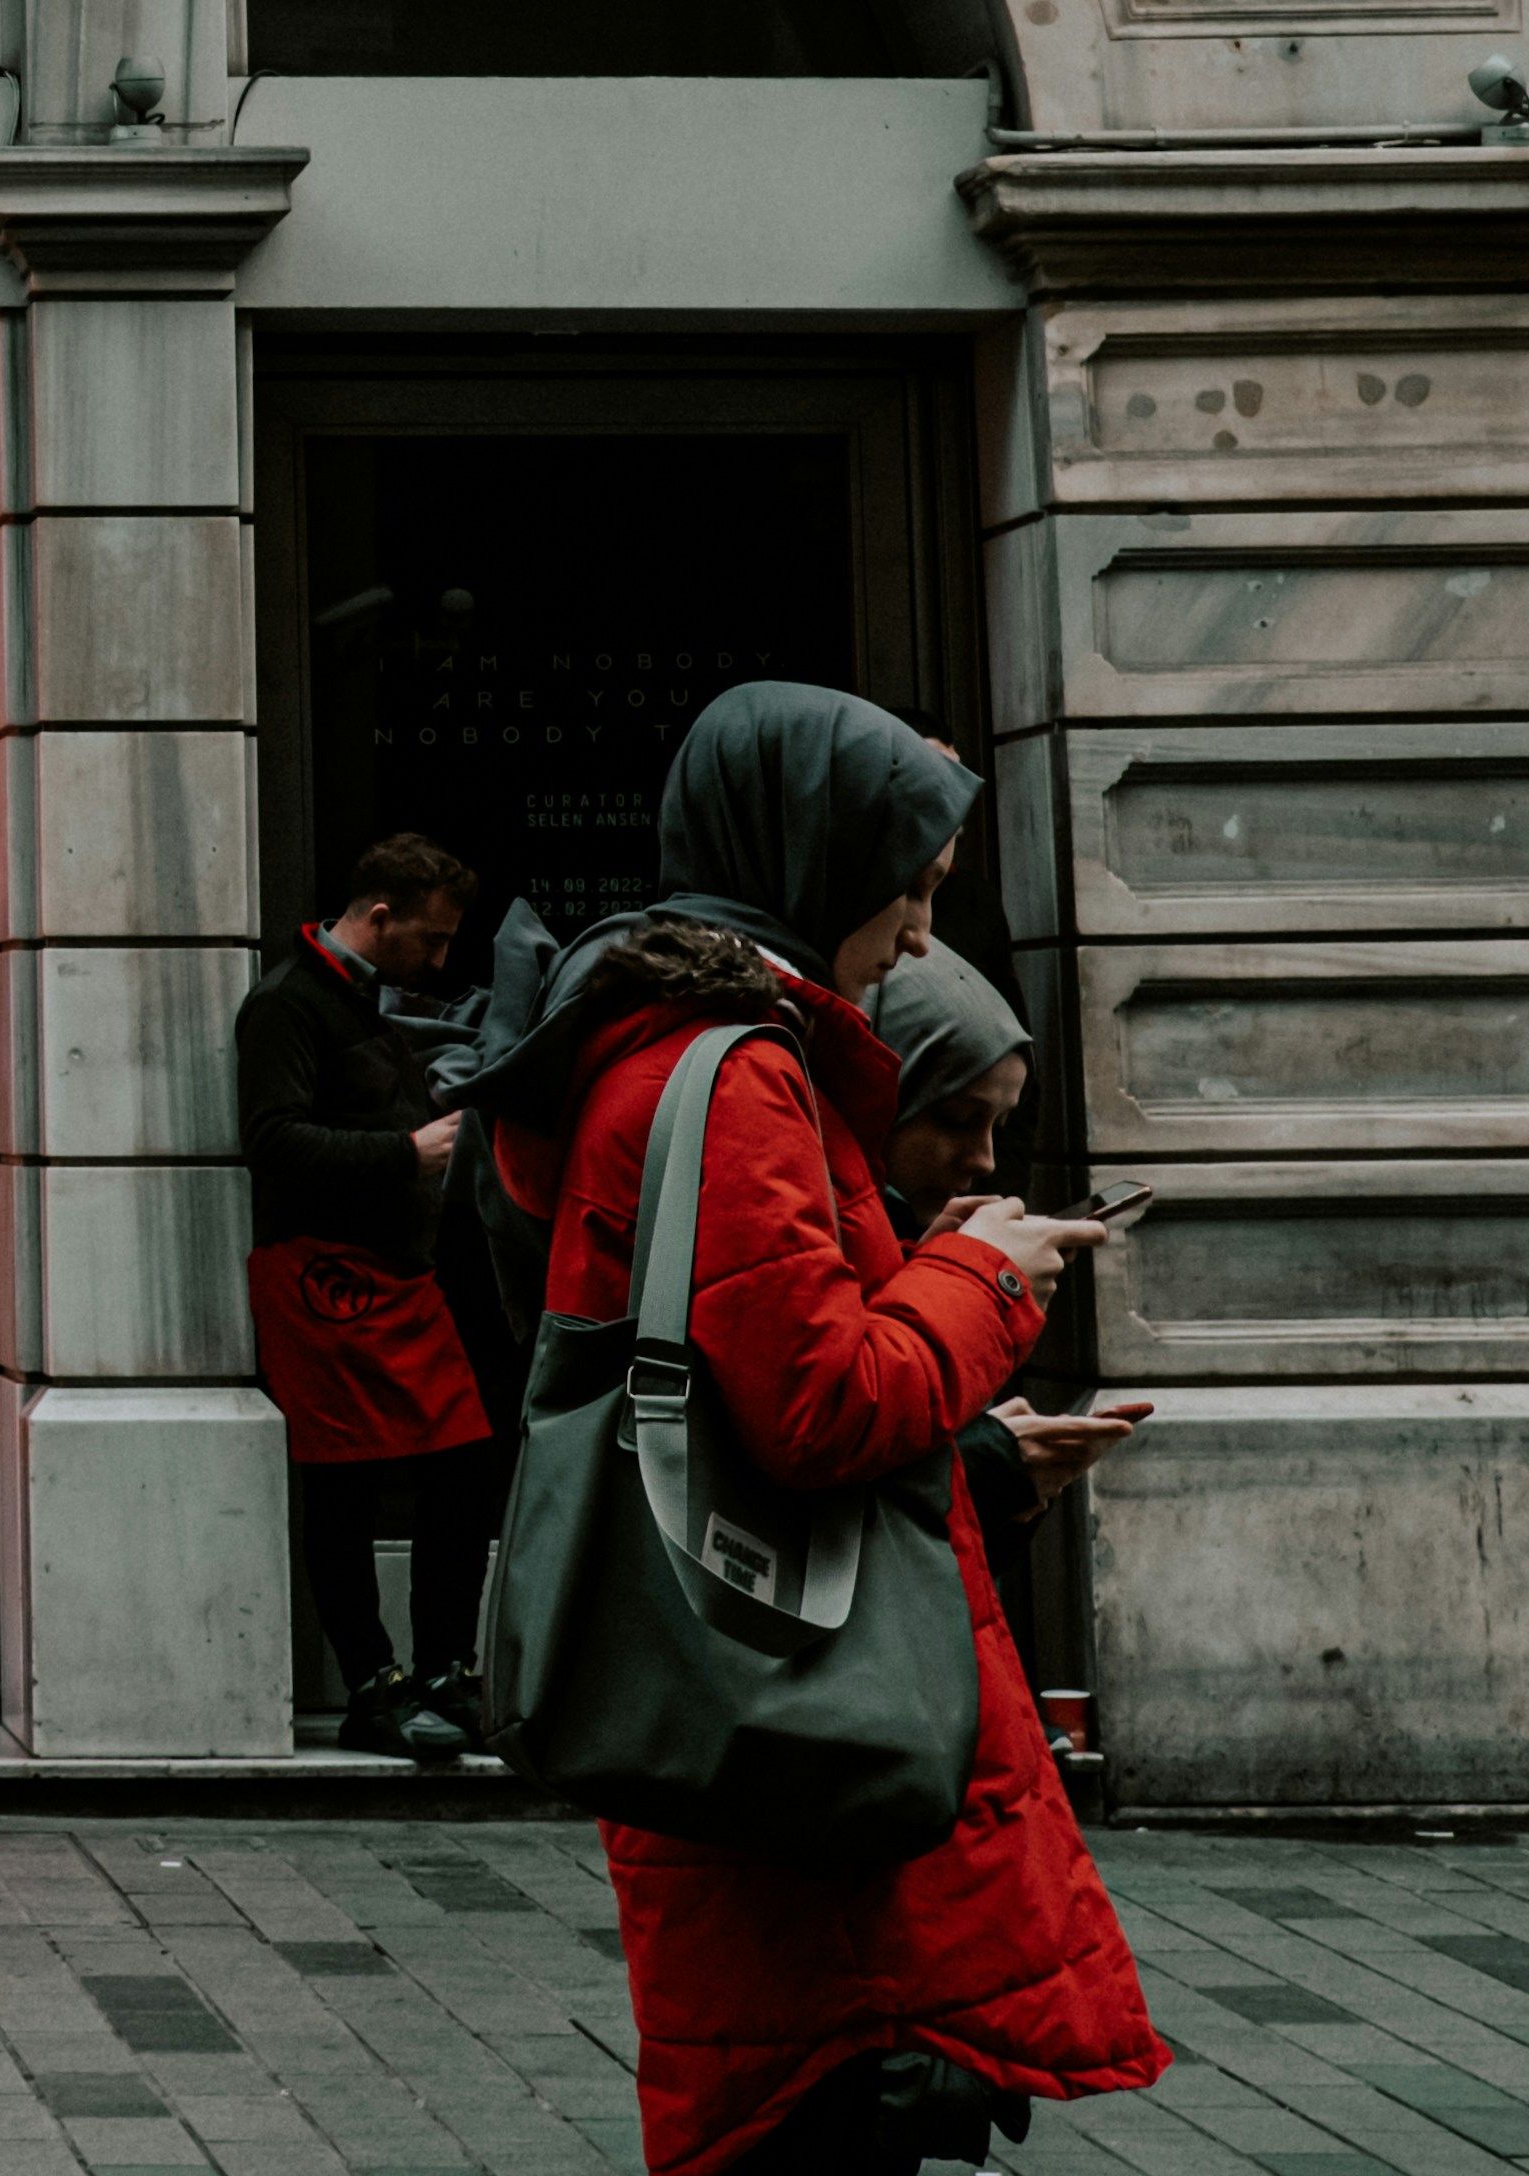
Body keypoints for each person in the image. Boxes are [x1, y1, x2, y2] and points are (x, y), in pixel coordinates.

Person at [468, 685, 1163, 2176]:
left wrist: (973, 1434)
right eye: (905, 888)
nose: (918, 936)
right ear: (812, 855)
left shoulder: (668, 1056)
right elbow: (821, 1406)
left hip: (766, 1709)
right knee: (825, 2127)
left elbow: (749, 1393)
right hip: (801, 1734)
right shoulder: (737, 1075)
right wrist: (986, 1275)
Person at [236, 831, 501, 1761]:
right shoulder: (287, 1005)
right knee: (345, 1485)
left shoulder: (356, 999)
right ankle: (373, 1684)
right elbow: (272, 1142)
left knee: (462, 1464)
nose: (438, 960)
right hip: (324, 1275)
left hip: (391, 1273)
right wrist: (409, 1151)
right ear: (378, 917)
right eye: (428, 940)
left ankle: (439, 1671)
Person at [869, 941, 1147, 1686]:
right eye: (959, 1120)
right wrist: (993, 1462)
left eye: (998, 1125)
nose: (986, 1159)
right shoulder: (814, 1240)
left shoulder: (894, 1247)